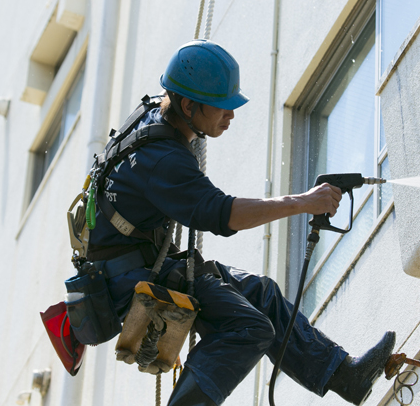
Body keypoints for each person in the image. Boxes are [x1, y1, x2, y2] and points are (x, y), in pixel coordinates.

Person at [87, 39, 395, 406]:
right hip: (126, 278)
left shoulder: (156, 115)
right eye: (221, 108)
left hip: (136, 263)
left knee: (261, 293)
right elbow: (224, 214)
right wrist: (303, 202)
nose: (230, 116)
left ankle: (346, 377)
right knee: (249, 328)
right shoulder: (161, 159)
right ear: (188, 105)